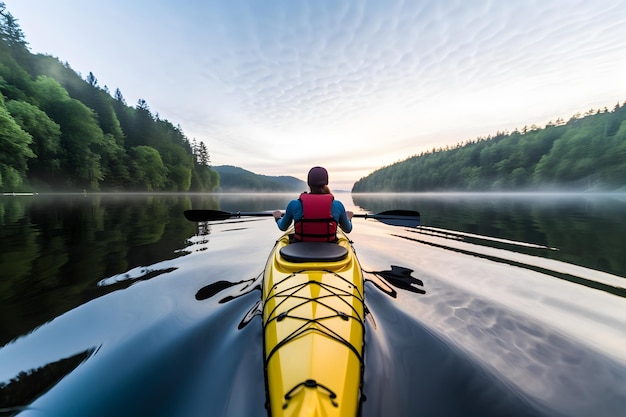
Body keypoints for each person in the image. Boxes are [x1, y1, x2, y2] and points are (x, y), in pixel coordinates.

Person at [273, 166, 353, 242]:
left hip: (299, 249)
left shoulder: (294, 204)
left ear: (308, 184)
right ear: (326, 183)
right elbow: (347, 229)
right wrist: (348, 218)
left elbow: (283, 227)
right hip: (330, 250)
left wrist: (277, 218)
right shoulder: (337, 205)